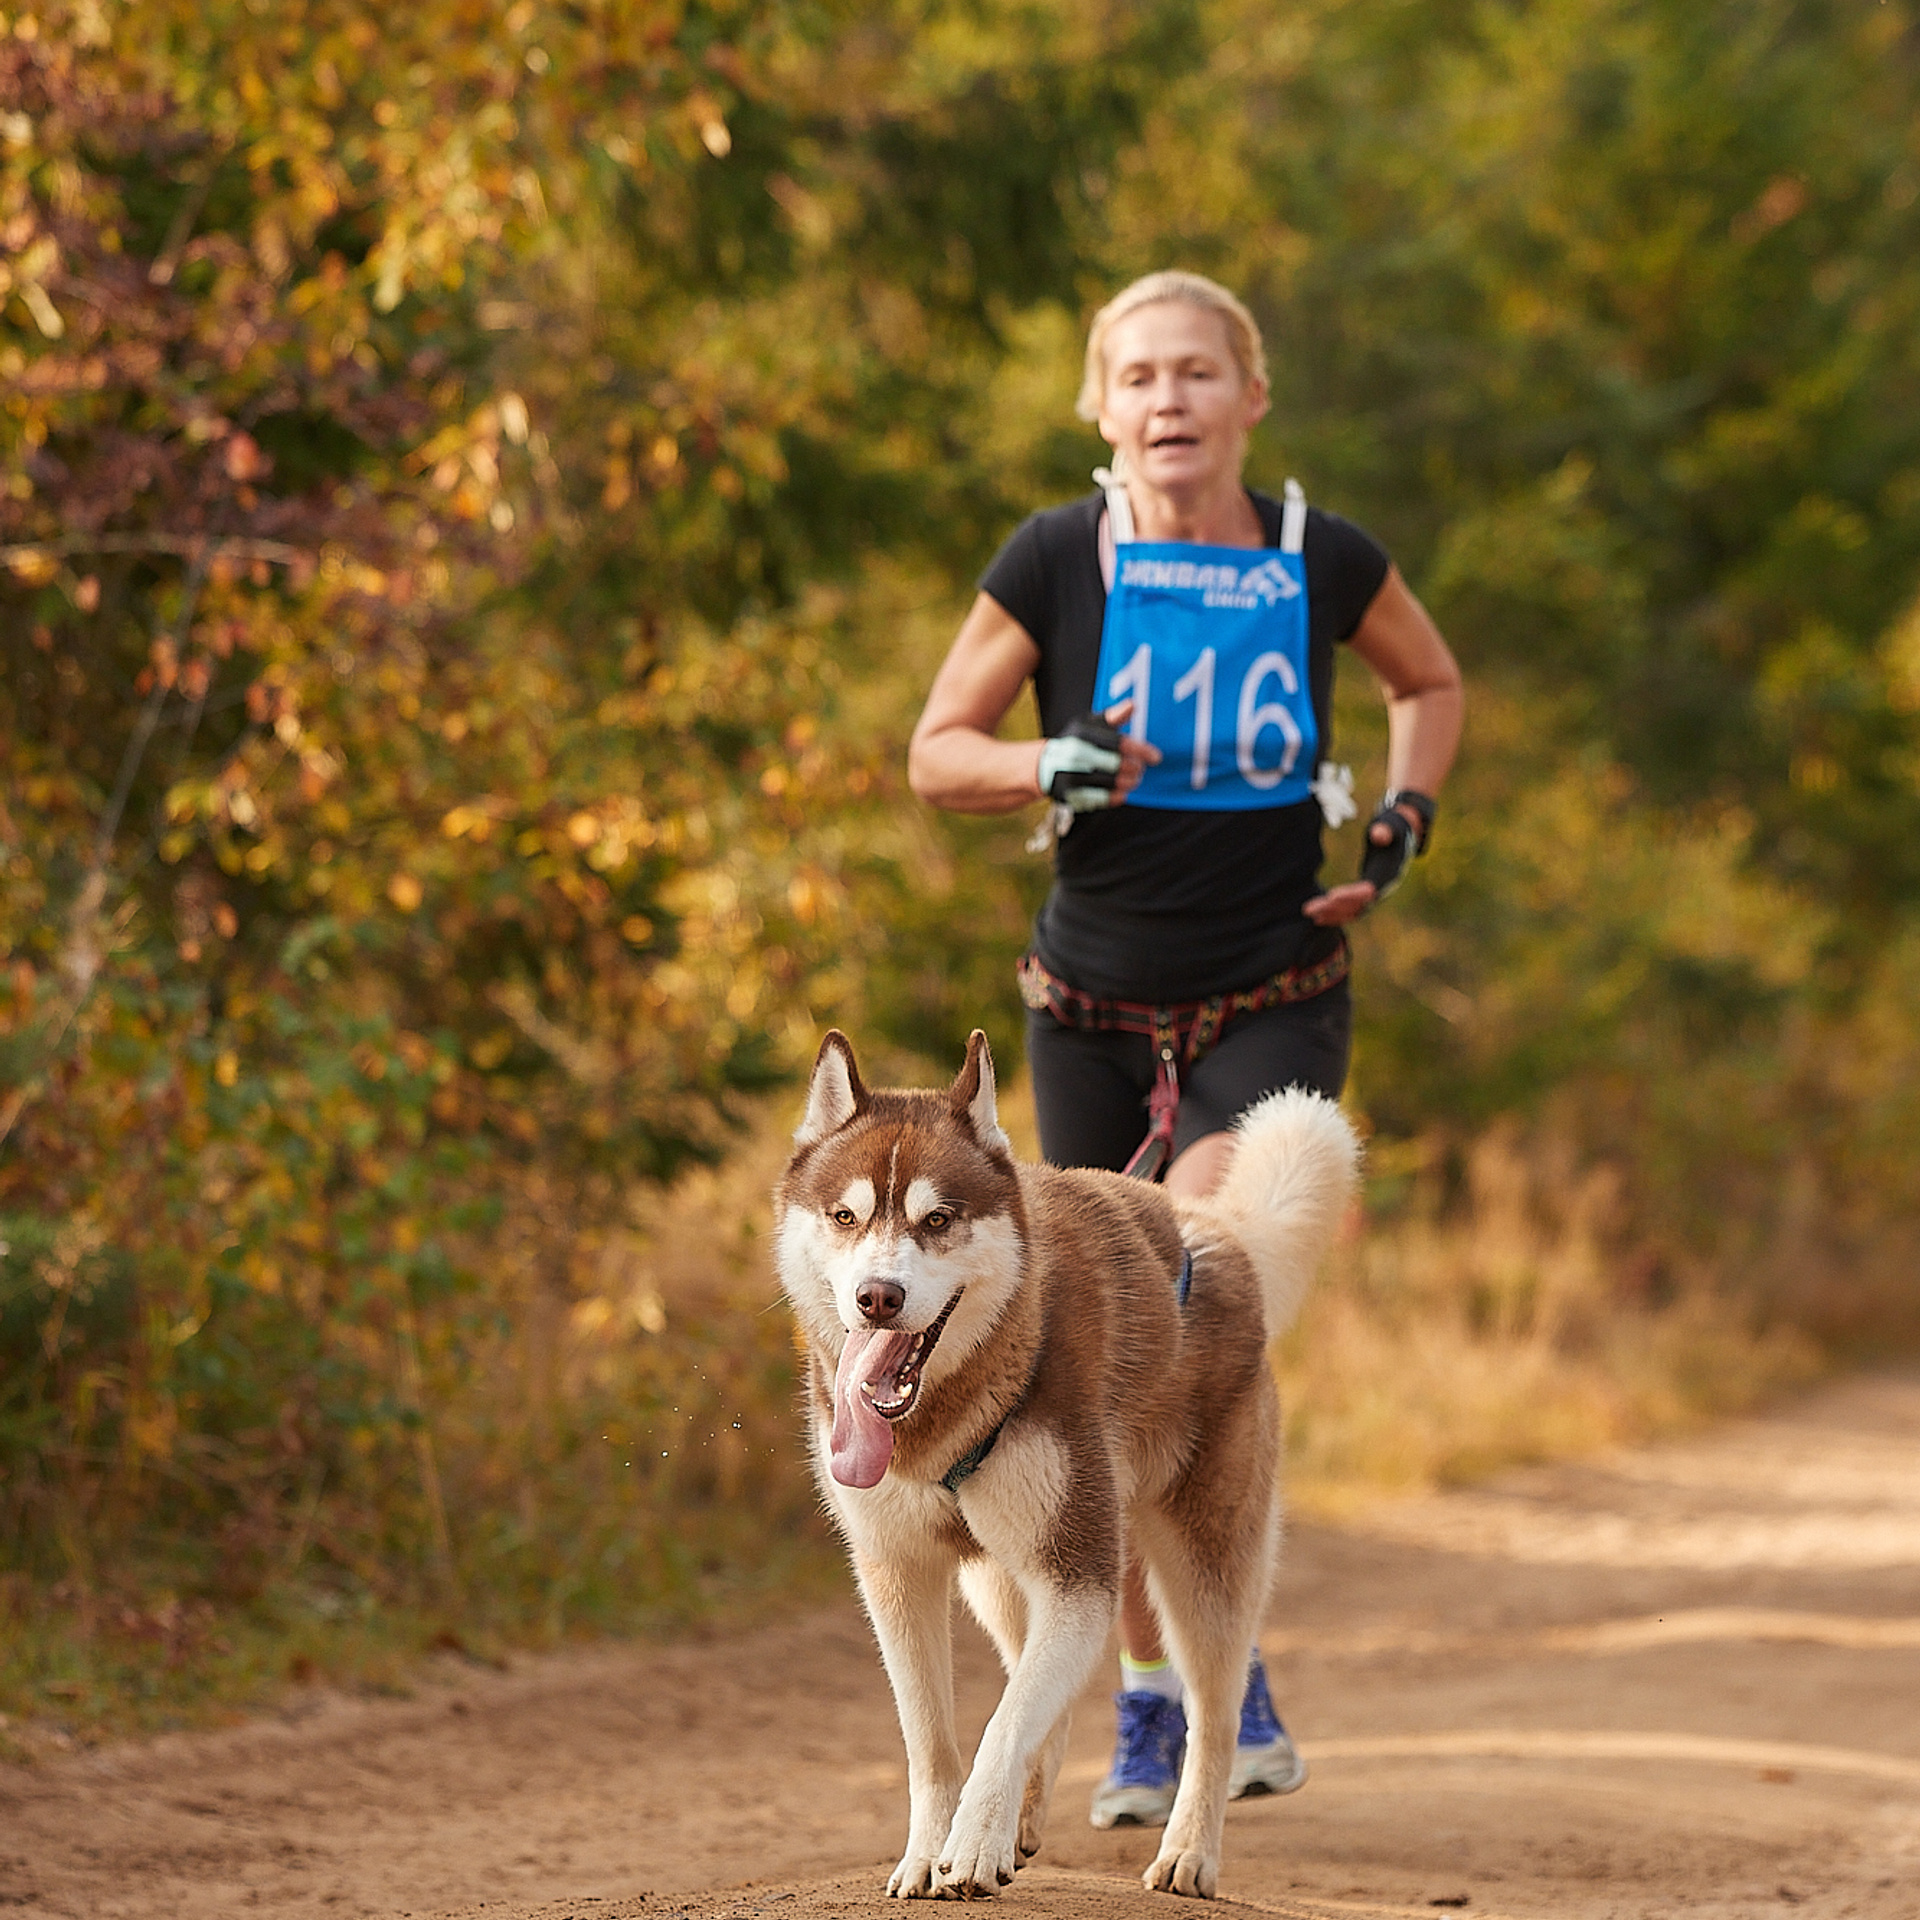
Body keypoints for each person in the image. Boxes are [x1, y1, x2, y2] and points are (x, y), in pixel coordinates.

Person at [907, 270, 1463, 1828]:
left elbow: (1432, 680)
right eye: (1139, 374)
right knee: (1110, 1354)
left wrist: (1406, 817)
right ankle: (1173, 1699)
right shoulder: (1055, 557)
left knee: (1188, 1277)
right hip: (1084, 1010)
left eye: (1199, 372)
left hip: (1270, 991)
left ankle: (1191, 1687)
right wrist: (1046, 758)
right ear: (1100, 406)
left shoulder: (1317, 558)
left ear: (1249, 398)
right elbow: (934, 750)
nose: (1169, 398)